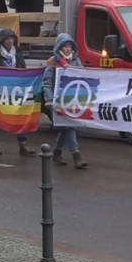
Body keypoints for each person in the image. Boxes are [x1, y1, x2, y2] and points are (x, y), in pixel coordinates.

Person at [0, 29, 34, 156]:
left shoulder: (18, 53)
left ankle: (23, 144)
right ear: (2, 41)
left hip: (16, 89)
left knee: (20, 115)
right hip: (0, 91)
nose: (10, 41)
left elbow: (23, 68)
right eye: (7, 39)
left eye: (12, 38)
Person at [43, 34, 88, 169]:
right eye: (65, 46)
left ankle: (57, 151)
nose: (68, 49)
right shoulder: (52, 62)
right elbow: (47, 82)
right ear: (59, 47)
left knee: (67, 126)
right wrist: (49, 100)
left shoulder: (76, 61)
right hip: (58, 101)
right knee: (69, 126)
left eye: (69, 46)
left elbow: (83, 77)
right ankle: (76, 155)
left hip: (72, 100)